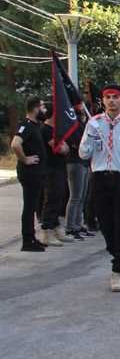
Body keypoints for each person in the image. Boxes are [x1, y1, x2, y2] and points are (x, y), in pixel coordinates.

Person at [78, 84, 120, 292]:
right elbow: (83, 154)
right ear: (103, 100)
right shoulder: (94, 123)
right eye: (108, 97)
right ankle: (116, 253)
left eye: (115, 97)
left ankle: (117, 269)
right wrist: (90, 135)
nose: (111, 100)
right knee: (105, 223)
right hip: (100, 177)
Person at [12, 97, 48, 252]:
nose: (45, 110)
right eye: (42, 107)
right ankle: (27, 241)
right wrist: (25, 159)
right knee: (29, 207)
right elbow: (15, 144)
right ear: (35, 109)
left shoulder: (35, 126)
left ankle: (32, 238)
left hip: (37, 173)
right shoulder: (26, 125)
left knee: (32, 207)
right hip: (29, 173)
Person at [39, 106, 74, 247]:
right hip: (50, 169)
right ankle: (47, 231)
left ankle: (56, 227)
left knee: (60, 196)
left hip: (59, 167)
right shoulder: (46, 130)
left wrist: (65, 148)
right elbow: (61, 148)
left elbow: (66, 148)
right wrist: (64, 148)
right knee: (52, 198)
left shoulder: (55, 130)